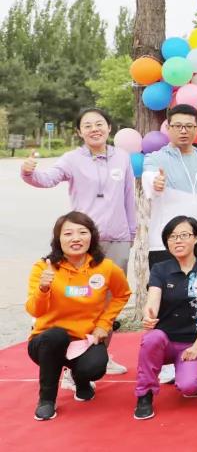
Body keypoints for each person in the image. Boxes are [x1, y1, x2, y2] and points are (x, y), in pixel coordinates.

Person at [21, 108, 135, 376]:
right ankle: (72, 363)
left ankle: (101, 352)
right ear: (79, 132)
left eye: (99, 124)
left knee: (109, 301)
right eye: (88, 125)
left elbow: (129, 195)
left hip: (118, 237)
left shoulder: (122, 158)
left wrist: (132, 233)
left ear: (109, 127)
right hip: (83, 242)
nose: (95, 129)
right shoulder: (72, 159)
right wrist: (29, 173)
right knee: (79, 299)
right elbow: (47, 179)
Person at [26, 211, 131, 420]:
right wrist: (43, 289)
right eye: (68, 234)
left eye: (82, 232)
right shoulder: (43, 267)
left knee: (95, 367)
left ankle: (81, 380)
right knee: (55, 336)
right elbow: (34, 310)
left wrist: (104, 324)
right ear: (58, 239)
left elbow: (122, 294)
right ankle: (46, 400)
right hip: (46, 341)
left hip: (84, 340)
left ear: (92, 236)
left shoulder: (106, 267)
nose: (76, 238)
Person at [133, 216, 197, 420]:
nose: (178, 241)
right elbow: (153, 300)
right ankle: (145, 394)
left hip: (191, 342)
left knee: (189, 388)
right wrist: (148, 315)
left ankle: (185, 371)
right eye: (172, 237)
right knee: (151, 338)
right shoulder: (160, 269)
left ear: (196, 238)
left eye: (184, 235)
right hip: (164, 339)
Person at [143, 104, 197, 266]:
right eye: (177, 126)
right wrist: (155, 183)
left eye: (188, 126)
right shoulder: (155, 158)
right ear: (168, 128)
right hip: (164, 244)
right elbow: (149, 178)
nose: (183, 131)